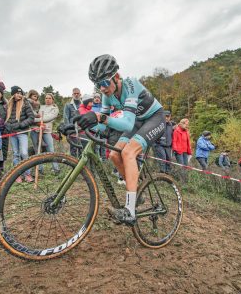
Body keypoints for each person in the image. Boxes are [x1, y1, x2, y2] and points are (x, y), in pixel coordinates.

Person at [75, 54, 165, 225]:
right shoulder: (107, 95)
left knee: (128, 152)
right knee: (114, 156)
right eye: (97, 84)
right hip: (138, 121)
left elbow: (126, 124)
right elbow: (102, 127)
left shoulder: (131, 84)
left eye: (104, 83)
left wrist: (100, 118)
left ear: (116, 77)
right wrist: (82, 124)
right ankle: (136, 192)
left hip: (154, 118)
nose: (101, 88)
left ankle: (129, 212)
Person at [4, 86, 35, 183]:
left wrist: (20, 124)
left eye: (20, 93)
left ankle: (27, 174)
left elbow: (31, 118)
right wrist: (8, 125)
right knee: (16, 154)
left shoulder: (26, 103)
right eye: (17, 93)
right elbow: (7, 119)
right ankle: (17, 175)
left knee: (24, 153)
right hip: (13, 133)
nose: (19, 95)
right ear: (13, 94)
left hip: (22, 132)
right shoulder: (9, 105)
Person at [36, 93, 60, 173]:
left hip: (47, 131)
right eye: (46, 98)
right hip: (38, 130)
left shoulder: (54, 108)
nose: (48, 99)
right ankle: (39, 169)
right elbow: (36, 115)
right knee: (38, 150)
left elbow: (47, 119)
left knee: (51, 150)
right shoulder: (41, 107)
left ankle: (56, 169)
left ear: (52, 99)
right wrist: (37, 120)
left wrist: (33, 120)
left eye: (49, 98)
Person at [63, 88, 81, 157]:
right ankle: (74, 165)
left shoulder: (82, 104)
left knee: (81, 147)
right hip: (73, 129)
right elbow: (66, 118)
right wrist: (70, 130)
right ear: (72, 95)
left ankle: (82, 165)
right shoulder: (68, 105)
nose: (76, 95)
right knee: (73, 148)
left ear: (80, 94)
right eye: (75, 93)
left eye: (77, 93)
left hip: (82, 129)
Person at [27, 89, 41, 154]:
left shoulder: (37, 104)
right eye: (34, 96)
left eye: (36, 97)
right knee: (35, 145)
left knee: (39, 144)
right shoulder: (28, 102)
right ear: (30, 96)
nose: (35, 98)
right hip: (32, 125)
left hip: (38, 125)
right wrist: (36, 115)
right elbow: (30, 111)